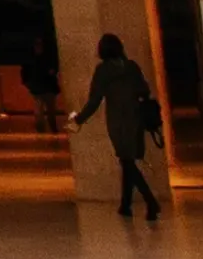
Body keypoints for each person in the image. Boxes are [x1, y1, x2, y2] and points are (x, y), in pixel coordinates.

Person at [69, 31, 165, 222]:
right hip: (136, 118)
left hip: (118, 122)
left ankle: (150, 201)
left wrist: (78, 119)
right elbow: (144, 90)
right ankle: (126, 204)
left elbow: (94, 100)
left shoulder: (103, 71)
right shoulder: (131, 67)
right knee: (127, 161)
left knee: (127, 162)